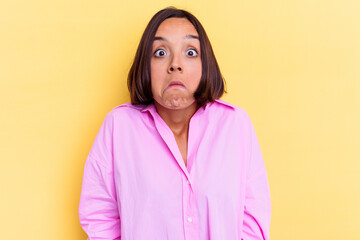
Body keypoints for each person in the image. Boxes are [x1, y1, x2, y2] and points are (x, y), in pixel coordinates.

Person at [79, 7, 271, 240]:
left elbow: (253, 223)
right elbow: (100, 220)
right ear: (145, 66)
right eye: (160, 52)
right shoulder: (118, 128)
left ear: (205, 65)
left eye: (190, 52)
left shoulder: (236, 126)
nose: (175, 64)